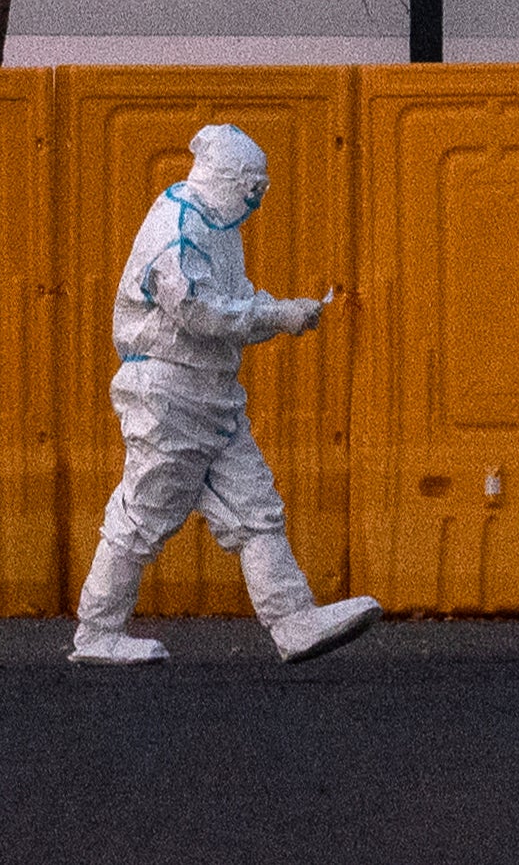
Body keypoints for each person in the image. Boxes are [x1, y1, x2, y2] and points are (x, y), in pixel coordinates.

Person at [71, 123, 382, 666]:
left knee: (255, 507)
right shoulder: (179, 228)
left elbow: (232, 300)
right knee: (143, 512)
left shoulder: (217, 228)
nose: (255, 200)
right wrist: (278, 315)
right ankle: (97, 631)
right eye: (251, 187)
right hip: (169, 394)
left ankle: (292, 620)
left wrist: (278, 311)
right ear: (227, 179)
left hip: (210, 396)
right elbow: (201, 311)